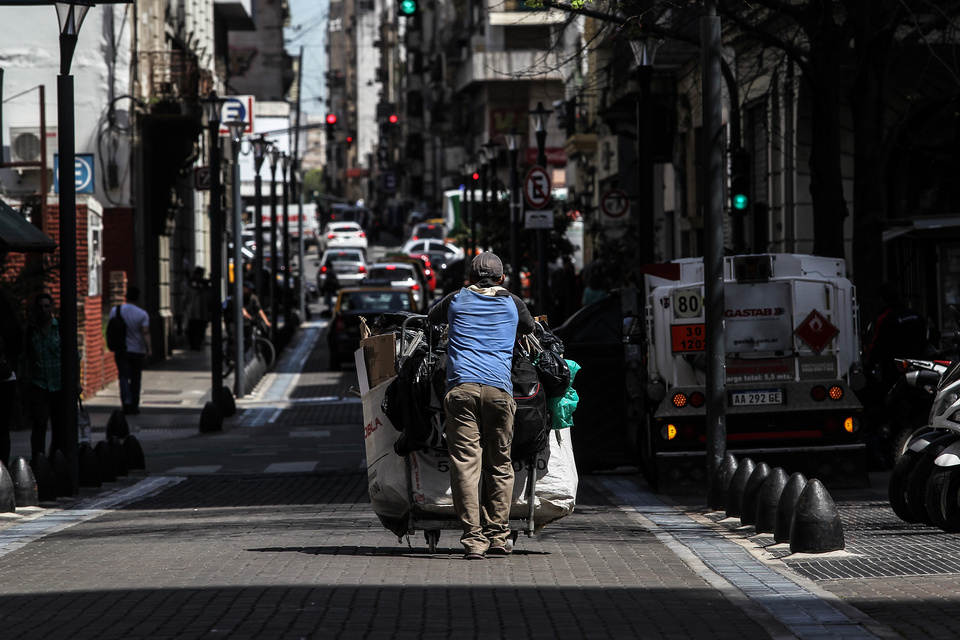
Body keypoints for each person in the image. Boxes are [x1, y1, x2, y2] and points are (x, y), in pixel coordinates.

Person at [428, 252, 535, 560]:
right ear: (501, 278)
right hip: (500, 392)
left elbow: (432, 318)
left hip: (461, 391)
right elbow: (528, 328)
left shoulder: (455, 300)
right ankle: (499, 536)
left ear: (470, 278)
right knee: (500, 464)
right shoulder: (514, 302)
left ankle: (474, 540)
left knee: (466, 465)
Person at [20, 293, 65, 459]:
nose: (43, 310)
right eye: (40, 307)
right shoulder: (30, 331)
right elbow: (23, 358)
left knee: (59, 426)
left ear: (52, 308)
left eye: (47, 306)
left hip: (58, 384)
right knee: (39, 424)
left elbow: (73, 356)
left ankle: (57, 459)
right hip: (38, 384)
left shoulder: (60, 329)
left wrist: (76, 382)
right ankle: (38, 461)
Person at [864, 283, 930, 391]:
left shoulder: (886, 319)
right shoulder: (915, 315)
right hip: (918, 363)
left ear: (882, 299)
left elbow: (877, 344)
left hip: (895, 367)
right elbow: (924, 340)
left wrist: (869, 365)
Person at [109, 286, 152, 415]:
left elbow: (111, 329)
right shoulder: (142, 314)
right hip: (138, 350)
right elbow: (146, 332)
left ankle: (126, 401)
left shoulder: (115, 311)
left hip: (122, 349)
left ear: (126, 296)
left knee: (123, 376)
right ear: (138, 298)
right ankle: (134, 405)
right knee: (136, 378)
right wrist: (149, 349)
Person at [0, 290, 22, 469]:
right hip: (7, 378)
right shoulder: (10, 324)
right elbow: (19, 350)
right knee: (3, 429)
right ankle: (3, 469)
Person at [185, 266, 210, 351]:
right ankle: (193, 344)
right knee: (193, 329)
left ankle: (197, 344)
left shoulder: (202, 284)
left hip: (201, 311)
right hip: (193, 312)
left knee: (199, 329)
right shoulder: (192, 283)